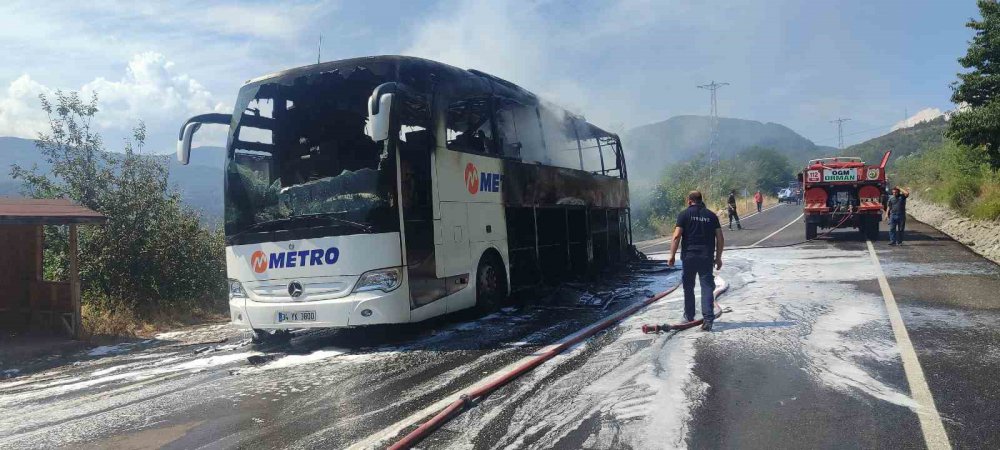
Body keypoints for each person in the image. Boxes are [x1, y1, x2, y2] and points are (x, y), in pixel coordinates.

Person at [668, 191, 724, 331]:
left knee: (688, 287)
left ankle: (689, 316)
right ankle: (708, 319)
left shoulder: (684, 215)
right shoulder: (711, 216)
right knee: (707, 287)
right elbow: (720, 238)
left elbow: (676, 236)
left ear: (689, 201)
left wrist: (672, 255)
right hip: (706, 257)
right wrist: (718, 258)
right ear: (701, 200)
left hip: (689, 257)